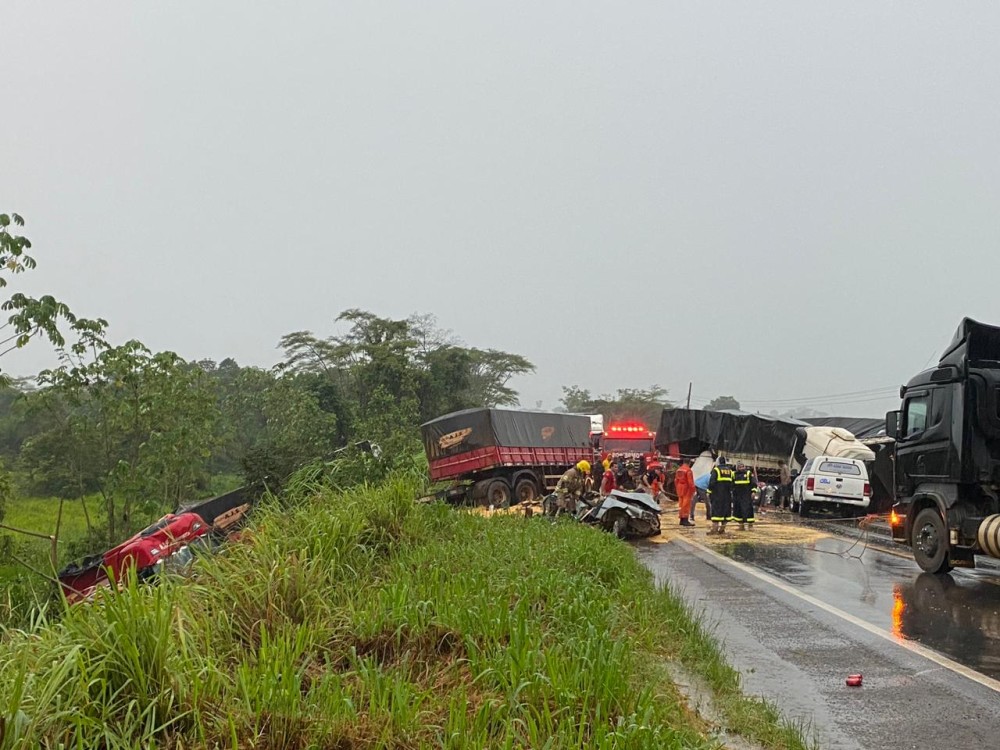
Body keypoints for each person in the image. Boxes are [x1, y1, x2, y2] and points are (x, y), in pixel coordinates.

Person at [707, 457, 735, 535]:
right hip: (727, 496)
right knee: (725, 512)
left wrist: (709, 492)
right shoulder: (730, 471)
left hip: (717, 495)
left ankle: (714, 530)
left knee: (716, 512)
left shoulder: (716, 470)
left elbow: (712, 482)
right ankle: (722, 530)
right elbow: (733, 484)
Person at [732, 461, 755, 530]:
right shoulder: (734, 474)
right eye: (740, 467)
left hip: (747, 495)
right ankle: (741, 525)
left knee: (748, 509)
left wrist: (753, 492)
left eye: (743, 466)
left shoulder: (748, 473)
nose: (742, 468)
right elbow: (732, 484)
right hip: (738, 495)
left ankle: (750, 525)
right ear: (737, 468)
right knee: (738, 510)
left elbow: (753, 483)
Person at [674, 458, 696, 527]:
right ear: (689, 463)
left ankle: (681, 519)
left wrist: (677, 488)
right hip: (686, 488)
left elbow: (676, 480)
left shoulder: (679, 469)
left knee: (681, 504)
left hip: (679, 487)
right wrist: (693, 490)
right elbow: (690, 482)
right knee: (686, 504)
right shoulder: (688, 470)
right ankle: (685, 520)